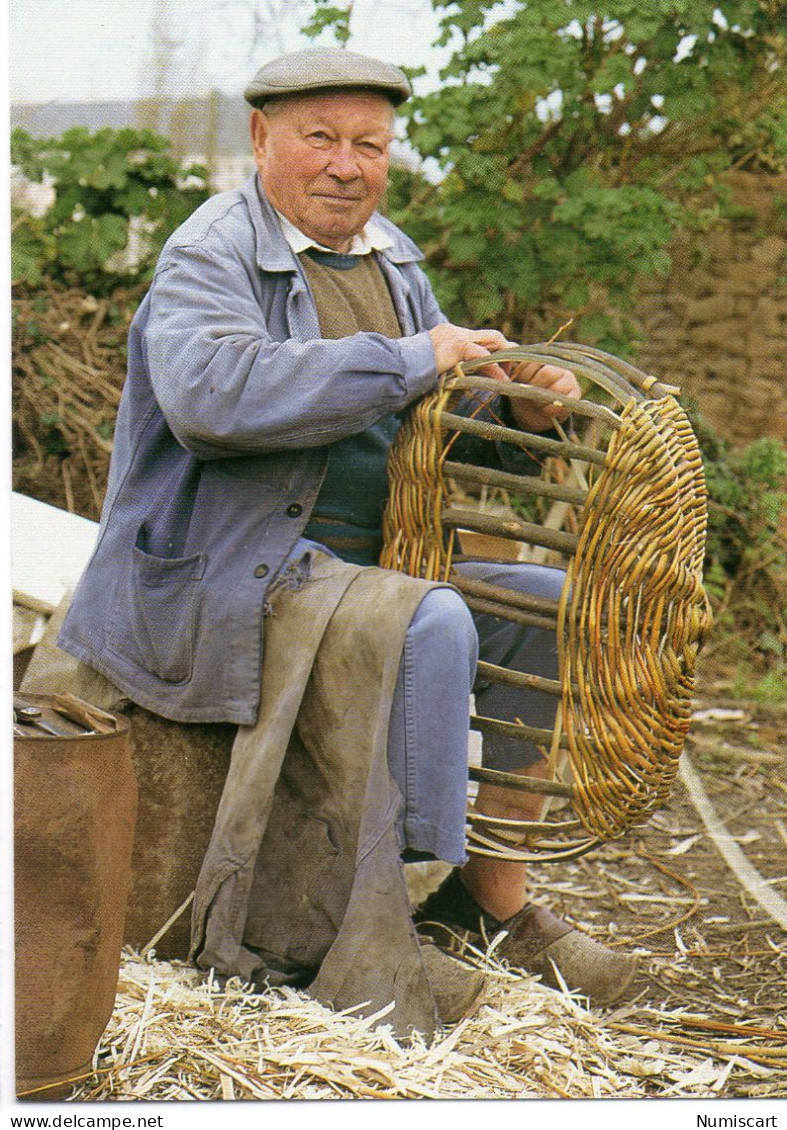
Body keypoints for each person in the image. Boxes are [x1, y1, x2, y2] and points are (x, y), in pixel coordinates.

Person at [57, 47, 636, 1017]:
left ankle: (485, 902)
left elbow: (436, 405)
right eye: (318, 138)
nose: (345, 164)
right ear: (259, 140)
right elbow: (211, 399)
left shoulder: (391, 257)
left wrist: (521, 417)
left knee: (548, 608)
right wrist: (413, 356)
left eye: (369, 144)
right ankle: (375, 919)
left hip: (368, 563)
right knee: (430, 621)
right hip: (228, 568)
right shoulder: (210, 255)